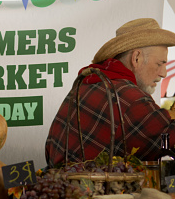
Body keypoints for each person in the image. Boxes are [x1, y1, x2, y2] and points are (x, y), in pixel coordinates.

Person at [45, 18, 175, 167]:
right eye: (160, 64)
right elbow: (169, 140)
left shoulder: (85, 84)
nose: (164, 73)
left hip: (62, 185)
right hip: (98, 189)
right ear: (136, 58)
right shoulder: (131, 98)